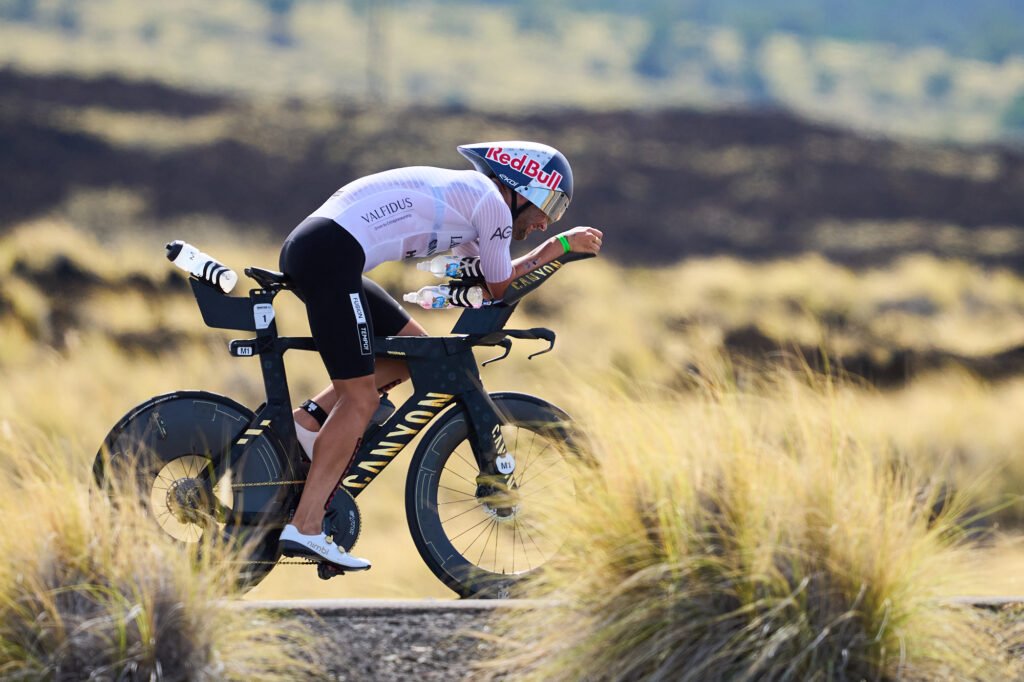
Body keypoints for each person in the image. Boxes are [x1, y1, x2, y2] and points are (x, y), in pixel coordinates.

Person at [276, 140, 603, 570]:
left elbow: (484, 288)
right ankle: (307, 525)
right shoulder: (492, 204)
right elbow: (502, 285)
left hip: (326, 251)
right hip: (331, 255)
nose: (546, 222)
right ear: (525, 188)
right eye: (552, 207)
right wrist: (559, 248)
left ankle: (307, 425)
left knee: (416, 352)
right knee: (360, 398)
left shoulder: (476, 207)